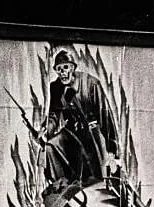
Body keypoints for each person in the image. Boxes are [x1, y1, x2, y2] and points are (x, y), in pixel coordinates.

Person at [40, 50, 119, 187]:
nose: (62, 73)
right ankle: (61, 183)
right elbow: (54, 115)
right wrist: (46, 131)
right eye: (58, 69)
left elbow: (105, 117)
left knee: (97, 179)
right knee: (49, 148)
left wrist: (112, 151)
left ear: (72, 67)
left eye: (65, 68)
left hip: (92, 135)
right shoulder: (56, 87)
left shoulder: (91, 84)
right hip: (71, 133)